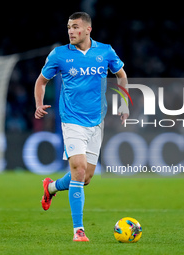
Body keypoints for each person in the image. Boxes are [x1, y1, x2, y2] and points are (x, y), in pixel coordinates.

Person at [34, 12, 129, 242]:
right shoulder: (59, 54)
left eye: (75, 27)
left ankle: (52, 187)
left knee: (85, 177)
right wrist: (38, 104)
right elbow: (41, 81)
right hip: (71, 120)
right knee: (78, 168)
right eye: (68, 27)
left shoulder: (105, 51)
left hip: (96, 121)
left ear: (88, 29)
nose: (70, 31)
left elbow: (121, 75)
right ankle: (79, 230)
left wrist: (124, 104)